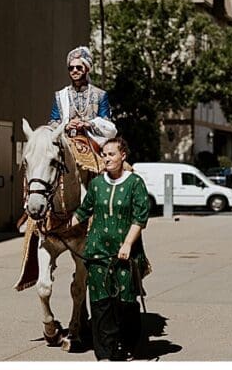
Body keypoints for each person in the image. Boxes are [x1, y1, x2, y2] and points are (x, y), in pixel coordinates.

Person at [70, 137, 150, 361]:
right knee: (100, 303)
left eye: (111, 154)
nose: (106, 158)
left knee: (125, 302)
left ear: (123, 156)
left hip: (124, 253)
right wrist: (61, 225)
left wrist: (127, 244)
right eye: (104, 154)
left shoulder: (135, 183)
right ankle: (105, 352)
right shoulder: (96, 185)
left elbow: (140, 218)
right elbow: (84, 211)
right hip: (97, 252)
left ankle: (126, 346)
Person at [50, 46, 117, 148]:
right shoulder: (60, 95)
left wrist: (88, 124)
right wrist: (66, 126)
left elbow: (108, 126)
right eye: (71, 68)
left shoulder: (100, 95)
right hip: (66, 144)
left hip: (94, 144)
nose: (74, 70)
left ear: (86, 69)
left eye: (78, 67)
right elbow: (53, 123)